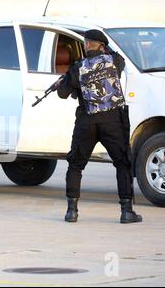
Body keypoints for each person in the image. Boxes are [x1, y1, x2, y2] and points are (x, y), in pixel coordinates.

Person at [55, 29, 142, 224]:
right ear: (102, 45)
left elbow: (62, 93)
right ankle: (127, 211)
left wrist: (65, 81)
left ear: (86, 45)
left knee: (76, 164)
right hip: (112, 121)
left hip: (86, 122)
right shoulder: (114, 62)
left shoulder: (78, 67)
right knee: (122, 163)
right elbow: (119, 58)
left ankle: (72, 211)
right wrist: (104, 49)